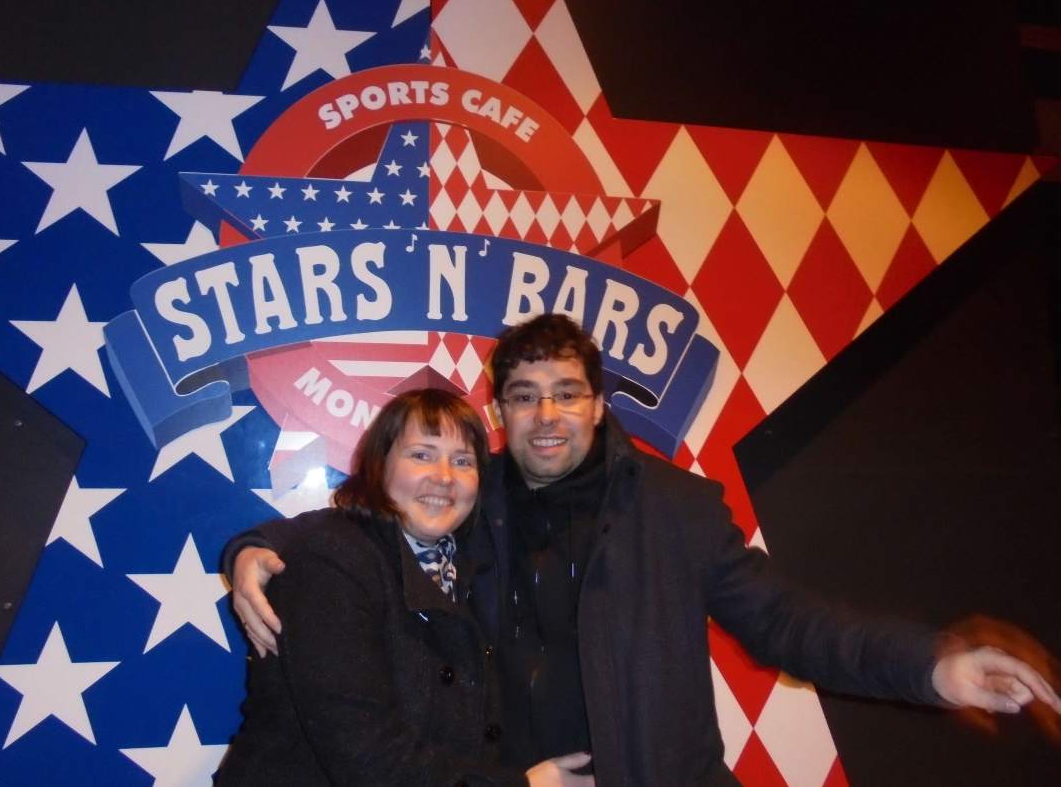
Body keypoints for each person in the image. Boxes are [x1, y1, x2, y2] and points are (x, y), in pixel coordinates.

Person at [226, 314, 1061, 785]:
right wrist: (259, 545)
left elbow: (787, 622)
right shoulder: (472, 498)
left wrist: (929, 666)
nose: (546, 417)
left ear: (598, 406)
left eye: (566, 394)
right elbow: (374, 522)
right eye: (524, 397)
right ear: (501, 413)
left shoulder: (677, 509)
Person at [217, 387, 593, 787]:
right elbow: (366, 755)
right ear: (380, 465)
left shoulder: (461, 564)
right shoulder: (331, 560)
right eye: (422, 455)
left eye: (462, 461)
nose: (444, 477)